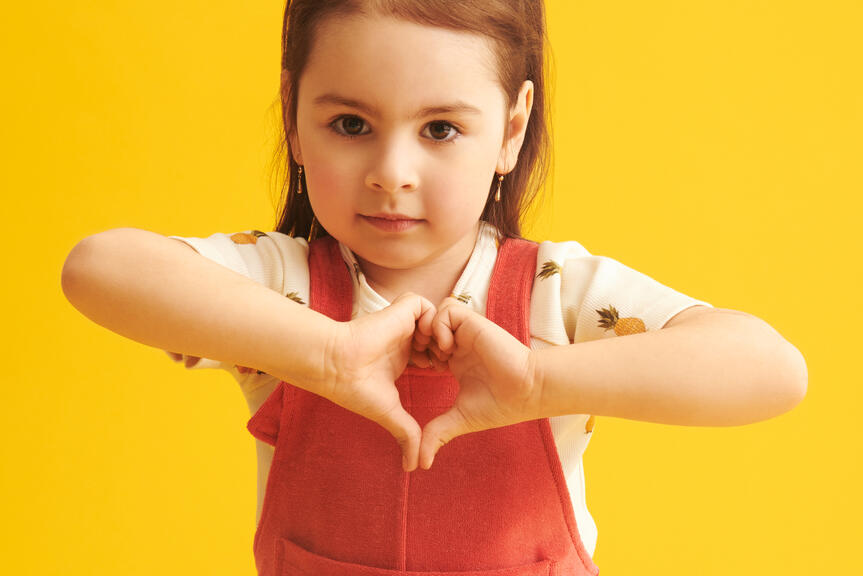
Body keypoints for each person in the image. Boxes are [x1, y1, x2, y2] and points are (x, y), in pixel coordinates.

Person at [60, 1, 808, 574]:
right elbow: (98, 267)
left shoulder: (558, 294)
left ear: (511, 129)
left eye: (441, 129)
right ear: (293, 114)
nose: (392, 171)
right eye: (350, 123)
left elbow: (773, 371)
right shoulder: (276, 289)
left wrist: (539, 378)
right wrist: (327, 356)